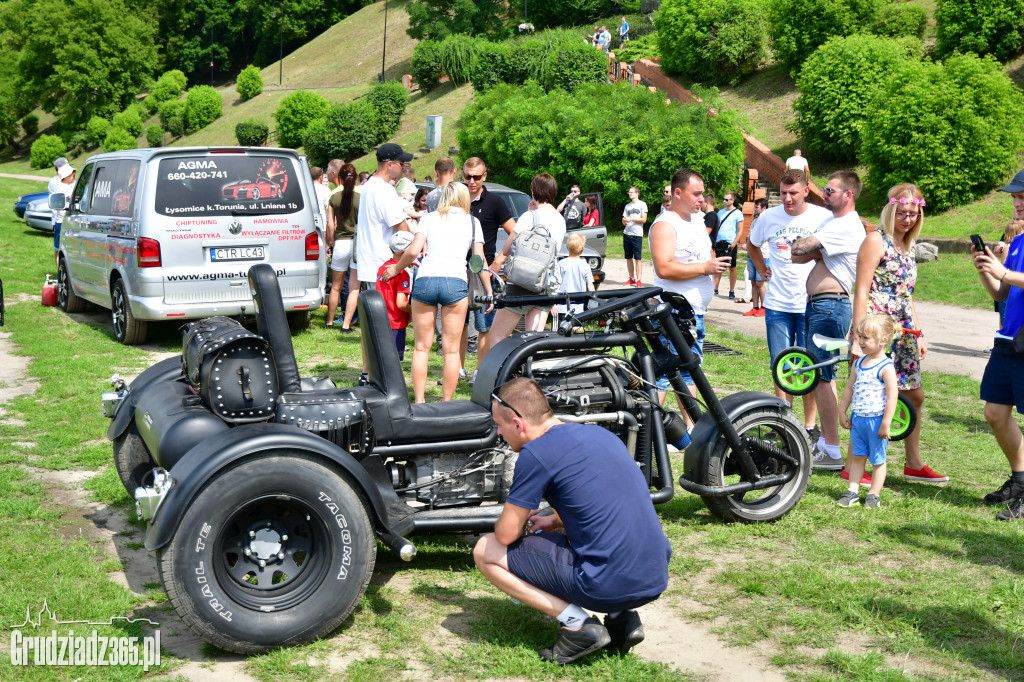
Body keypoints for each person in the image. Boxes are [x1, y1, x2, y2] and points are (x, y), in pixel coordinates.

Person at [473, 378, 671, 665]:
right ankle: (622, 619)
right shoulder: (601, 435)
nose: (500, 434)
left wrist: (519, 515)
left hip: (606, 584)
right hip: (654, 575)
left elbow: (505, 536)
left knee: (486, 549)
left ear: (518, 424)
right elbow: (601, 502)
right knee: (598, 535)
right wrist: (554, 520)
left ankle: (577, 625)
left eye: (500, 426)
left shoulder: (535, 453)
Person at [851, 183, 947, 484]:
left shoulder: (910, 246)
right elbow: (861, 290)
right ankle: (854, 465)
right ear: (891, 210)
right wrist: (859, 336)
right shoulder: (875, 241)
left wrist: (918, 334)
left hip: (903, 331)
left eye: (913, 214)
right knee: (869, 396)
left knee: (914, 395)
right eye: (902, 213)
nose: (907, 219)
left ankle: (913, 463)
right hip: (876, 330)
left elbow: (907, 295)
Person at [382, 182, 491, 402]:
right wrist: (488, 289)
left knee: (422, 348)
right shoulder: (472, 222)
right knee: (451, 351)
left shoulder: (430, 218)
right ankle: (446, 402)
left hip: (426, 280)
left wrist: (396, 268)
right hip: (455, 281)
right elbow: (478, 260)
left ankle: (420, 400)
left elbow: (413, 250)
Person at [791, 170, 866, 474]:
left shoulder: (846, 226)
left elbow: (799, 248)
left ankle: (832, 448)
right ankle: (827, 443)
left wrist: (814, 249)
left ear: (848, 194)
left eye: (831, 191)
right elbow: (796, 254)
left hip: (831, 306)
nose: (825, 194)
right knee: (823, 374)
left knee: (822, 374)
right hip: (821, 306)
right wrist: (814, 249)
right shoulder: (831, 224)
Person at [747, 169, 830, 437]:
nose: (787, 198)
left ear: (806, 190)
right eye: (783, 193)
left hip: (810, 302)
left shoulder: (822, 217)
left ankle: (808, 425)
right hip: (778, 304)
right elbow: (752, 244)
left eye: (793, 193)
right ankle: (784, 420)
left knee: (808, 364)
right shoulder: (769, 217)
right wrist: (762, 269)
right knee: (781, 363)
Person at [650, 168, 731, 423]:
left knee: (688, 371)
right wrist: (705, 268)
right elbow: (663, 267)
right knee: (665, 374)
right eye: (696, 194)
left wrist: (713, 261)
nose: (702, 199)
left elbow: (702, 254)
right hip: (673, 313)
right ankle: (648, 431)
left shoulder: (697, 220)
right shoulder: (665, 224)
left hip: (694, 312)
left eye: (702, 194)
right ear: (677, 192)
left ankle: (691, 430)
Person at [972, 167, 1024, 521]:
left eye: (1021, 196)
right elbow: (1002, 293)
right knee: (994, 412)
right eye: (1015, 197)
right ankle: (1020, 480)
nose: (1016, 202)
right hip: (1008, 339)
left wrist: (1003, 271)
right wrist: (987, 271)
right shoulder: (1020, 241)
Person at [490, 174, 567, 342]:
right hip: (546, 284)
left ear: (533, 190)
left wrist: (492, 270)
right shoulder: (560, 220)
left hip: (520, 283)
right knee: (532, 341)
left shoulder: (529, 217)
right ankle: (529, 367)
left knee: (497, 335)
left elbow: (506, 250)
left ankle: (501, 368)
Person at [836, 314, 898, 509]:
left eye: (866, 338)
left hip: (876, 421)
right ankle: (852, 491)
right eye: (859, 336)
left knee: (878, 460)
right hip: (858, 420)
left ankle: (873, 494)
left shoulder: (886, 367)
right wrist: (843, 411)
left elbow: (892, 397)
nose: (860, 341)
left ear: (883, 341)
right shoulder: (858, 364)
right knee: (857, 456)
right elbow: (849, 388)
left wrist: (886, 422)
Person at [465, 157, 517, 383]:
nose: (472, 181)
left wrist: (498, 261)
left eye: (477, 177)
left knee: (484, 325)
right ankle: (458, 368)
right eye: (468, 176)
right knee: (459, 324)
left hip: (484, 270)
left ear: (484, 176)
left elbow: (515, 233)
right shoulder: (458, 200)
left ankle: (480, 371)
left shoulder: (494, 201)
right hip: (457, 268)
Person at [326, 163, 361, 332]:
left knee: (335, 286)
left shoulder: (334, 197)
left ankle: (330, 321)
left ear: (339, 177)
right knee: (354, 287)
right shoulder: (361, 197)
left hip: (340, 242)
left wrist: (331, 242)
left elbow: (330, 225)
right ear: (355, 178)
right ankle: (346, 324)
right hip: (356, 244)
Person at [376, 231, 414, 360]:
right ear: (405, 252)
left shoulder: (383, 268)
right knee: (394, 361)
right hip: (395, 324)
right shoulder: (402, 274)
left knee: (382, 358)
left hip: (381, 321)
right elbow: (401, 304)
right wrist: (416, 310)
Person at [554, 234, 594, 327]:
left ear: (567, 247)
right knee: (578, 336)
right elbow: (590, 286)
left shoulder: (561, 264)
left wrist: (553, 303)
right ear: (582, 249)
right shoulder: (585, 265)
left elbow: (557, 285)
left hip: (563, 307)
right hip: (580, 308)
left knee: (561, 334)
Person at [994, 219, 1024, 327]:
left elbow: (1003, 272)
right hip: (1015, 287)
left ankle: (1003, 341)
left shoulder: (1007, 247)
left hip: (1008, 288)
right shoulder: (1016, 247)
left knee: (1004, 319)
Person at [743, 197, 769, 316]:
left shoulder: (768, 222)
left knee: (760, 283)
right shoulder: (754, 221)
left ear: (764, 208)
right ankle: (755, 307)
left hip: (763, 256)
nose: (755, 209)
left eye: (757, 207)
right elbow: (750, 236)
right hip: (751, 256)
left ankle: (764, 307)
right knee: (753, 282)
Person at [714, 191, 743, 299]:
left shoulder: (737, 213)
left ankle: (731, 290)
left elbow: (740, 230)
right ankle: (715, 288)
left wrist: (734, 243)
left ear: (732, 200)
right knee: (718, 266)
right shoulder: (720, 212)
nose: (724, 201)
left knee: (732, 267)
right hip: (719, 242)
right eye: (724, 199)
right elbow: (716, 227)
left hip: (730, 243)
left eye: (727, 199)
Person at [622, 186, 648, 287]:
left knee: (638, 258)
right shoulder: (627, 206)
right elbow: (624, 220)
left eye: (632, 192)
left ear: (637, 193)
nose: (630, 194)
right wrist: (624, 221)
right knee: (628, 257)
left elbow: (644, 219)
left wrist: (631, 218)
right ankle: (631, 278)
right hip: (627, 233)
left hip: (637, 234)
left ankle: (639, 280)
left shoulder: (642, 204)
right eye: (629, 192)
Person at [50, 163, 76, 258]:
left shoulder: (70, 186)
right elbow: (56, 204)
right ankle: (59, 271)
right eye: (73, 176)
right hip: (61, 222)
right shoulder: (61, 188)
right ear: (66, 176)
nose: (74, 178)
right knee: (58, 248)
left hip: (70, 221)